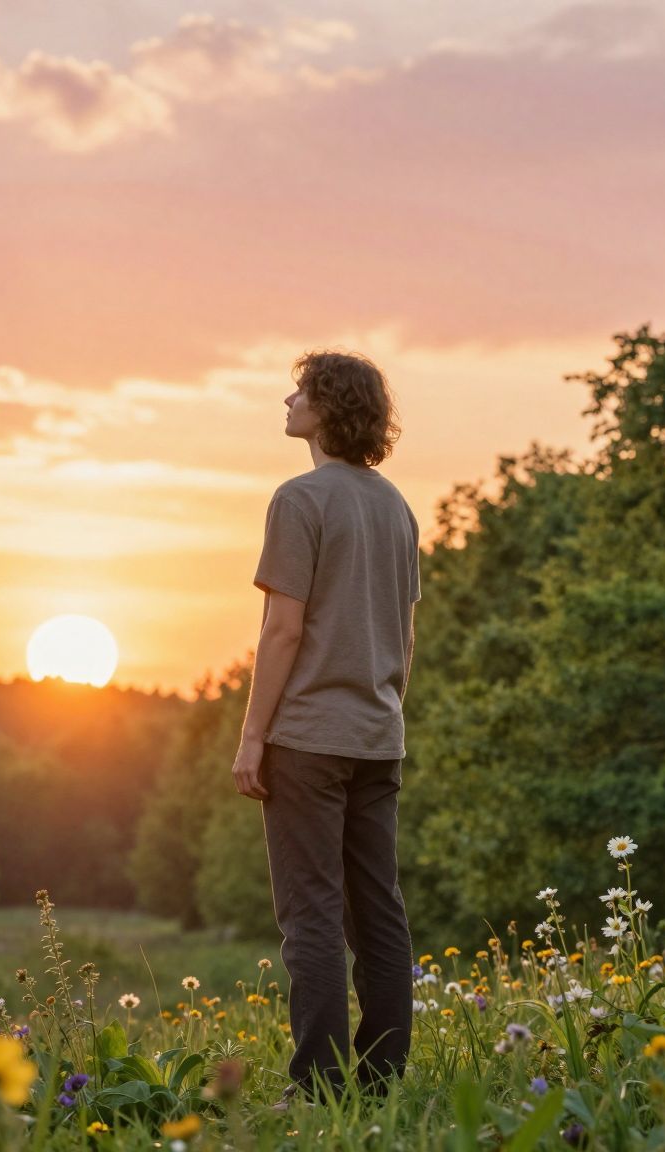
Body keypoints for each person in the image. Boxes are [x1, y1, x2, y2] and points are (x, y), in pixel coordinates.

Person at [231, 349, 419, 1105]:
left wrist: (252, 736)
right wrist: (384, 707)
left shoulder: (299, 500)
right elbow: (403, 635)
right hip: (379, 736)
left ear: (326, 407)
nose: (287, 399)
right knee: (379, 913)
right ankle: (378, 1085)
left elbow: (282, 630)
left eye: (300, 391)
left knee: (309, 915)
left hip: (308, 739)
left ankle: (315, 1089)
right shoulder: (397, 507)